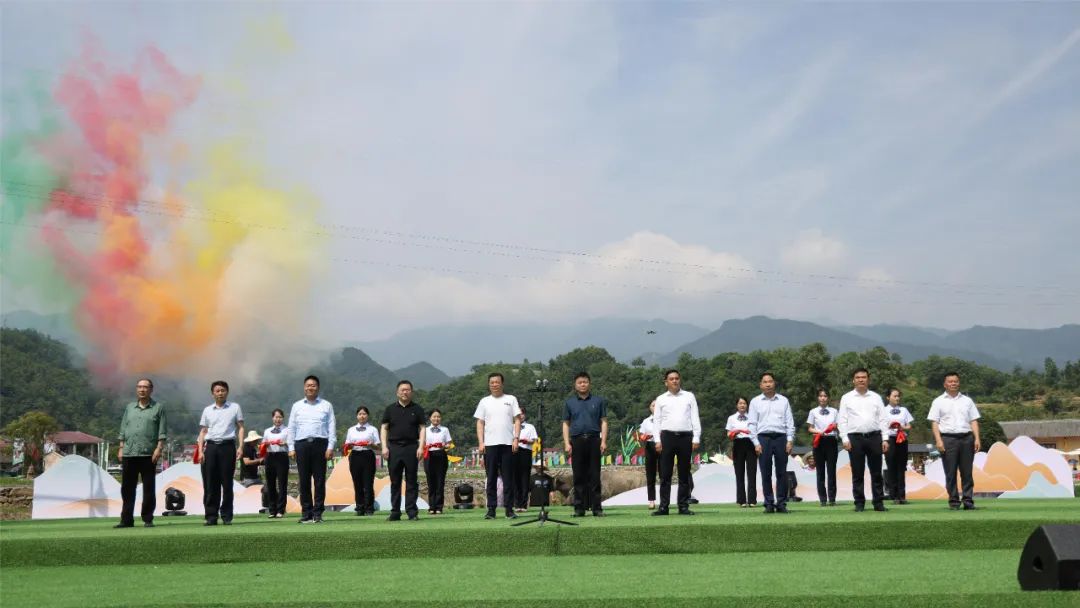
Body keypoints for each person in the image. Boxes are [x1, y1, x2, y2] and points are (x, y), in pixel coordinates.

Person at [115, 378, 167, 529]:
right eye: (139, 387)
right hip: (129, 453)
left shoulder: (158, 408)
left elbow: (162, 431)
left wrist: (159, 448)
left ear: (151, 390)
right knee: (127, 488)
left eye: (145, 387)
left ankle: (148, 519)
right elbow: (123, 428)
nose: (142, 390)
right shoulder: (130, 407)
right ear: (136, 389)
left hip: (148, 454)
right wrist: (121, 447)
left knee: (148, 488)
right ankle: (126, 520)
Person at [838, 368, 890, 512]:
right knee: (857, 473)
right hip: (855, 438)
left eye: (864, 377)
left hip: (874, 437)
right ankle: (859, 503)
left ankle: (878, 503)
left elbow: (883, 419)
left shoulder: (876, 397)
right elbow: (842, 420)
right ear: (853, 380)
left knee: (876, 472)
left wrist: (885, 438)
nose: (861, 380)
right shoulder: (846, 397)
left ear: (868, 379)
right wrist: (844, 438)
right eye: (858, 377)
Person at [928, 372, 982, 511]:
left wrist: (977, 438)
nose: (953, 383)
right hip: (948, 439)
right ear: (945, 384)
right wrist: (938, 440)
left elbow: (973, 420)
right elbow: (934, 422)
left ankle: (968, 501)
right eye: (950, 381)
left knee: (967, 473)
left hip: (966, 438)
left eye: (956, 381)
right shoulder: (938, 401)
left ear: (959, 383)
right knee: (950, 473)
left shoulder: (967, 401)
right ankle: (954, 501)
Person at [287, 375, 336, 524]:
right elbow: (291, 427)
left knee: (319, 480)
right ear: (304, 388)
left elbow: (331, 427)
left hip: (320, 444)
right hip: (301, 445)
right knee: (304, 480)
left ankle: (318, 513)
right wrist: (291, 447)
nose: (310, 388)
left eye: (313, 385)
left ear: (318, 388)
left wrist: (330, 447)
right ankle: (306, 513)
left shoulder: (326, 405)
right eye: (308, 385)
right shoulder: (297, 406)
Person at [474, 372, 522, 520]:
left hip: (508, 444)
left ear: (502, 383)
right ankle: (491, 510)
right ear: (489, 384)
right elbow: (480, 423)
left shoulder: (511, 399)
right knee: (491, 478)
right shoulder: (484, 401)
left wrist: (516, 438)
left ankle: (509, 509)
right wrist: (481, 442)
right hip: (490, 445)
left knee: (508, 479)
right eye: (492, 382)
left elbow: (517, 420)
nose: (495, 384)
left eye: (497, 382)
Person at [652, 369, 701, 516]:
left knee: (684, 473)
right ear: (666, 382)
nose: (674, 381)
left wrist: (696, 437)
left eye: (677, 378)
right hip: (667, 437)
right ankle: (663, 507)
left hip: (685, 437)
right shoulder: (661, 399)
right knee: (665, 474)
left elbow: (695, 417)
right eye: (671, 379)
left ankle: (683, 506)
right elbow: (657, 421)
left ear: (680, 380)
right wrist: (657, 440)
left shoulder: (689, 396)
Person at [197, 380, 244, 526]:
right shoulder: (207, 410)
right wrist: (200, 451)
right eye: (217, 391)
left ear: (227, 392)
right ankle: (211, 516)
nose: (220, 393)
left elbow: (241, 427)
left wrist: (240, 447)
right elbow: (203, 431)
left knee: (227, 483)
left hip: (227, 447)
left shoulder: (235, 407)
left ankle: (227, 516)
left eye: (223, 390)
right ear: (213, 393)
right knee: (211, 483)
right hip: (211, 447)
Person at [562, 372, 609, 517]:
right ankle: (579, 508)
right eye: (580, 382)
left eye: (585, 382)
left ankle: (597, 508)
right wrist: (567, 443)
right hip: (576, 441)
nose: (583, 384)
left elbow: (604, 422)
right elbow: (566, 423)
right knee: (578, 475)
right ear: (575, 385)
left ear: (589, 383)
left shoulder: (598, 401)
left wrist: (603, 441)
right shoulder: (569, 403)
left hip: (594, 440)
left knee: (595, 475)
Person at [748, 372, 795, 514]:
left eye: (770, 381)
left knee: (781, 472)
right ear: (760, 385)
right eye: (765, 382)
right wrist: (756, 443)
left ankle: (781, 503)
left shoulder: (783, 400)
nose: (768, 384)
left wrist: (790, 440)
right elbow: (752, 424)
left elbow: (789, 422)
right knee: (765, 472)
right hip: (763, 438)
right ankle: (768, 503)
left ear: (775, 383)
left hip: (781, 438)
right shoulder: (755, 402)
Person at [381, 380, 426, 521]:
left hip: (412, 447)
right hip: (394, 447)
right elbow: (384, 428)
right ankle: (395, 512)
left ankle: (412, 512)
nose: (405, 392)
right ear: (397, 392)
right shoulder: (390, 409)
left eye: (407, 390)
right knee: (395, 481)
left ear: (411, 392)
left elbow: (422, 428)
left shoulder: (417, 409)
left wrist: (421, 447)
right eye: (402, 390)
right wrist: (384, 446)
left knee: (412, 480)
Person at [345, 406, 380, 516]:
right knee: (357, 483)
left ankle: (369, 508)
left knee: (368, 483)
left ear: (367, 416)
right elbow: (347, 445)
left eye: (364, 414)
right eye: (360, 414)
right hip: (355, 455)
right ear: (357, 416)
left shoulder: (373, 429)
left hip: (368, 454)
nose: (362, 416)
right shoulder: (351, 430)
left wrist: (371, 444)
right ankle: (359, 507)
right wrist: (349, 446)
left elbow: (378, 446)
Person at [807, 388, 839, 507]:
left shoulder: (834, 411)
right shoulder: (813, 411)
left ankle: (832, 498)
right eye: (821, 396)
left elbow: (839, 425)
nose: (823, 398)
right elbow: (810, 428)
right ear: (818, 398)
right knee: (820, 471)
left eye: (825, 396)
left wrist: (835, 427)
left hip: (831, 441)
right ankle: (823, 499)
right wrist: (819, 431)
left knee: (831, 471)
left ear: (828, 398)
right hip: (818, 441)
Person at [884, 388, 914, 504]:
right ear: (888, 397)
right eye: (895, 396)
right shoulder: (883, 410)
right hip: (889, 439)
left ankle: (902, 495)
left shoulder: (904, 410)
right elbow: (881, 426)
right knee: (891, 467)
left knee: (901, 467)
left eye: (898, 396)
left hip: (902, 439)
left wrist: (902, 427)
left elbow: (909, 426)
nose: (897, 398)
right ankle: (894, 495)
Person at [725, 397, 757, 508]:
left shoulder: (752, 418)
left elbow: (756, 431)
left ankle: (752, 500)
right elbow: (728, 434)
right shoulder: (731, 418)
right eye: (740, 403)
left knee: (752, 473)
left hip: (751, 444)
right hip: (738, 444)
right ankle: (741, 500)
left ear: (747, 405)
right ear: (737, 405)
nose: (742, 405)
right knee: (739, 473)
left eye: (744, 403)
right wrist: (735, 432)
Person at [261, 409, 289, 519]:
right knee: (270, 484)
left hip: (282, 457)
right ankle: (272, 510)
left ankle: (281, 510)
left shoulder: (287, 430)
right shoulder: (267, 431)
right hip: (270, 457)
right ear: (272, 418)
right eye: (276, 417)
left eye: (280, 417)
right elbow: (263, 444)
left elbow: (291, 443)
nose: (278, 419)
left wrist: (285, 443)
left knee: (282, 484)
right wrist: (265, 445)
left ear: (283, 418)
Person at [424, 409, 451, 515]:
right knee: (430, 482)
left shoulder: (445, 429)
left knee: (440, 482)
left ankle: (439, 507)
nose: (436, 418)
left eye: (438, 416)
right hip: (429, 455)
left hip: (441, 455)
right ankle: (431, 507)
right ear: (430, 418)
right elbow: (421, 443)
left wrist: (445, 445)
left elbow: (449, 444)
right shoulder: (425, 430)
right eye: (434, 416)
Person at [513, 408, 538, 512]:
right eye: (518, 414)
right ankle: (516, 504)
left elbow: (534, 440)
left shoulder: (530, 427)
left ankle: (523, 505)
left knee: (524, 478)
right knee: (515, 478)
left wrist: (527, 441)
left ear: (525, 415)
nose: (521, 415)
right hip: (514, 452)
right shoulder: (511, 426)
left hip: (525, 451)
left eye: (522, 413)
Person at [638, 401, 659, 509]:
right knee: (650, 475)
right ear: (650, 408)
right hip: (650, 447)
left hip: (663, 446)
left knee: (665, 474)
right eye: (653, 405)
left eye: (657, 405)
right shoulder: (646, 421)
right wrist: (643, 437)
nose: (655, 407)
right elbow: (641, 435)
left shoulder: (666, 420)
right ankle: (651, 500)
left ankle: (665, 500)